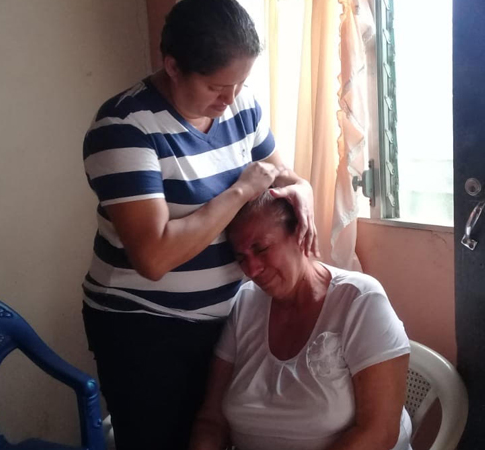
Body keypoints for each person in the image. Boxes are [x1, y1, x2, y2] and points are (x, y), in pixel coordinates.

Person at [80, 0, 317, 448]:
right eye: (216, 86)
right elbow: (155, 256)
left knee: (224, 435)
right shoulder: (124, 128)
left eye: (240, 83)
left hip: (229, 318)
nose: (229, 100)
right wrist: (239, 192)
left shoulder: (240, 104)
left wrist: (302, 188)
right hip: (146, 329)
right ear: (172, 66)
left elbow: (278, 172)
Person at [190, 192, 413, 450]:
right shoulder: (244, 304)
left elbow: (379, 432)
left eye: (261, 249)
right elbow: (211, 420)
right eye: (241, 258)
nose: (251, 270)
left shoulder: (360, 301)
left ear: (301, 234)